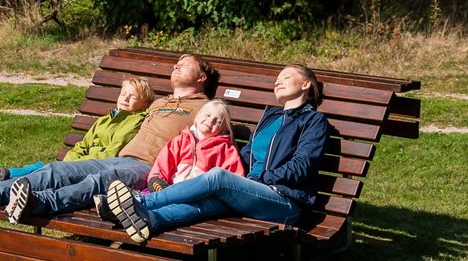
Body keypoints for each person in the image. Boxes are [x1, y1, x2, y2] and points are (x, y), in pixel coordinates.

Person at [0, 53, 212, 221]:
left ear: (200, 78)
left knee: (100, 182)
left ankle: (39, 203)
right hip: (119, 157)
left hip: (148, 168)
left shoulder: (206, 108)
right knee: (59, 169)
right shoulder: (158, 103)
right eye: (176, 63)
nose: (176, 66)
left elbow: (213, 146)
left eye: (184, 64)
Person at [102, 64, 328, 244]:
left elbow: (302, 166)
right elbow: (247, 155)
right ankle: (150, 219)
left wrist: (257, 179)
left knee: (218, 177)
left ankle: (140, 200)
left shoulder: (313, 121)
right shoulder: (270, 117)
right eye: (277, 78)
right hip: (252, 192)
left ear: (306, 84)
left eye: (286, 76)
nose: (278, 81)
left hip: (284, 200)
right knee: (206, 201)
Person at [0, 77, 154, 187]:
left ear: (144, 104)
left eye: (132, 97)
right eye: (123, 94)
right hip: (75, 164)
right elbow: (83, 144)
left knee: (44, 171)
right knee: (41, 167)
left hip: (93, 170)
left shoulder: (135, 123)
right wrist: (71, 158)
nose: (125, 99)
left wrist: (73, 163)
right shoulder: (105, 119)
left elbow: (111, 153)